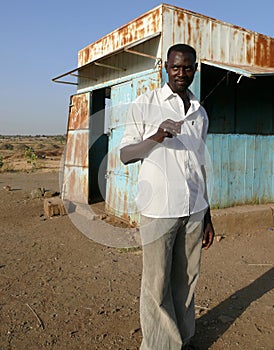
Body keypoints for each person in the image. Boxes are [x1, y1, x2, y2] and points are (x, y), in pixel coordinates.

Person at [120, 43, 215, 350]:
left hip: (194, 209)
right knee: (156, 284)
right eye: (175, 67)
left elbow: (199, 165)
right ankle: (160, 346)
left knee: (186, 280)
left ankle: (183, 339)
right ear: (165, 66)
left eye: (187, 67)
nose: (181, 73)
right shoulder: (145, 104)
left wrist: (208, 213)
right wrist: (157, 136)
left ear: (195, 69)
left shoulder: (200, 113)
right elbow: (125, 154)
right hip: (159, 209)